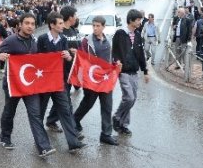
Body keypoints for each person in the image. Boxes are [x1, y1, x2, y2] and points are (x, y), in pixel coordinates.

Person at [0, 13, 56, 157]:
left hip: (30, 86)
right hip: (13, 85)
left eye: (33, 24)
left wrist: (60, 56)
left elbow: (42, 60)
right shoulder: (11, 40)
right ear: (20, 25)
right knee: (9, 112)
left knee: (35, 114)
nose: (30, 26)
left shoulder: (35, 41)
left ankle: (43, 147)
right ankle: (5, 138)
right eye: (27, 23)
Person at [37, 12, 86, 153]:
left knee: (65, 111)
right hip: (45, 83)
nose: (62, 26)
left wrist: (68, 57)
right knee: (39, 112)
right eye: (59, 23)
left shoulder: (63, 39)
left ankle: (73, 143)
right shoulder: (41, 39)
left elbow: (68, 59)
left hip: (60, 82)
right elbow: (38, 59)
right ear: (52, 25)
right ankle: (40, 140)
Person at [73, 15, 118, 146]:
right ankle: (74, 121)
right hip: (91, 79)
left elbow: (111, 57)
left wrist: (116, 63)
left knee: (107, 106)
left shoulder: (108, 39)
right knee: (87, 103)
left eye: (98, 26)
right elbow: (82, 59)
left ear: (104, 27)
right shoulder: (86, 41)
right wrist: (80, 78)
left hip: (105, 79)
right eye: (93, 25)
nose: (95, 28)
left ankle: (106, 134)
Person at [112, 9, 148, 136]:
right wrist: (116, 62)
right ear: (131, 20)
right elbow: (114, 51)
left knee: (132, 100)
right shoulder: (120, 34)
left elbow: (141, 54)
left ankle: (123, 125)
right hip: (124, 72)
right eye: (138, 20)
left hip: (134, 71)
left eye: (140, 19)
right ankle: (116, 117)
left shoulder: (138, 35)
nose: (140, 22)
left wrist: (145, 70)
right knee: (129, 97)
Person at [44, 5, 78, 131]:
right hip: (60, 71)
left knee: (63, 98)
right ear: (70, 17)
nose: (76, 17)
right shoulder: (61, 33)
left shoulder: (74, 30)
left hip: (71, 69)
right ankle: (73, 129)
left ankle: (51, 120)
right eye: (75, 15)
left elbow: (78, 48)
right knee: (66, 101)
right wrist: (69, 51)